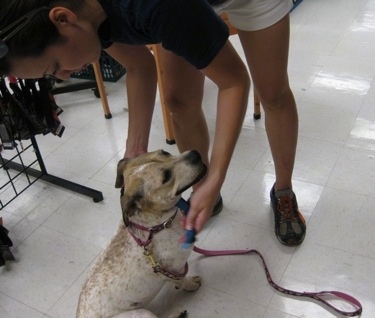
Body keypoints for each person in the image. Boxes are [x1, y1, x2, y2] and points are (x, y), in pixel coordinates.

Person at [0, 0, 305, 246]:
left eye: (54, 67)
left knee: (273, 93)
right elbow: (139, 65)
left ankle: (283, 191)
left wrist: (218, 178)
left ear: (63, 19)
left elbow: (234, 83)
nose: (64, 76)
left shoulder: (154, 6)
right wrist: (134, 151)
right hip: (186, 9)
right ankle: (202, 189)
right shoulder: (85, 14)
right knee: (179, 100)